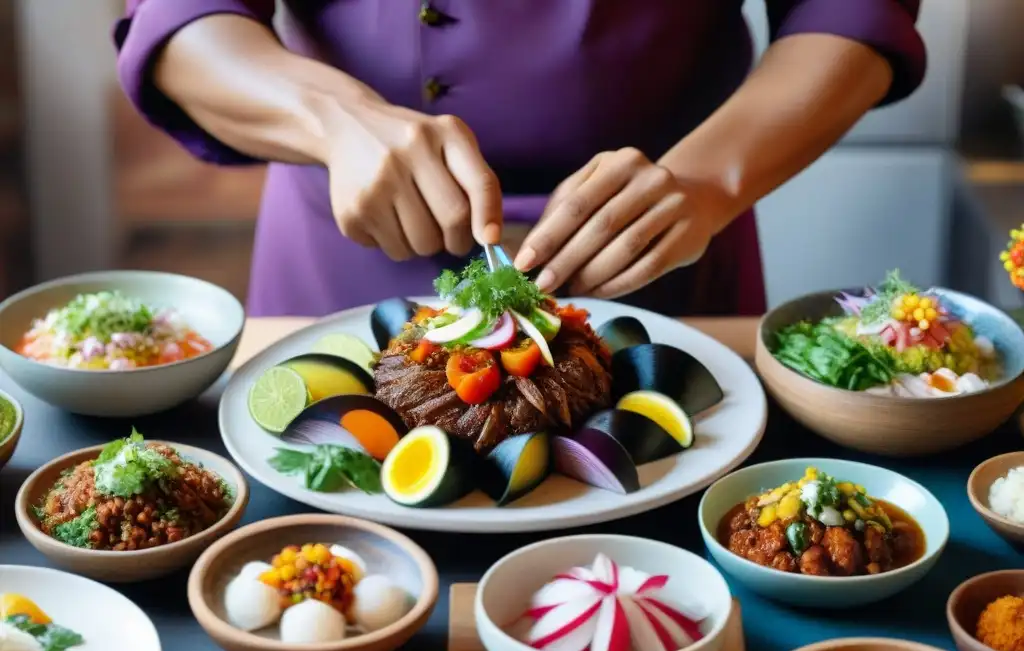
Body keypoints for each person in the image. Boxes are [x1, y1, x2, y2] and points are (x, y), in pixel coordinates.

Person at [114, 1, 925, 318]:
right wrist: (334, 121)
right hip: (346, 261)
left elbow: (851, 11)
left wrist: (709, 179)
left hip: (660, 254)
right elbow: (180, 19)